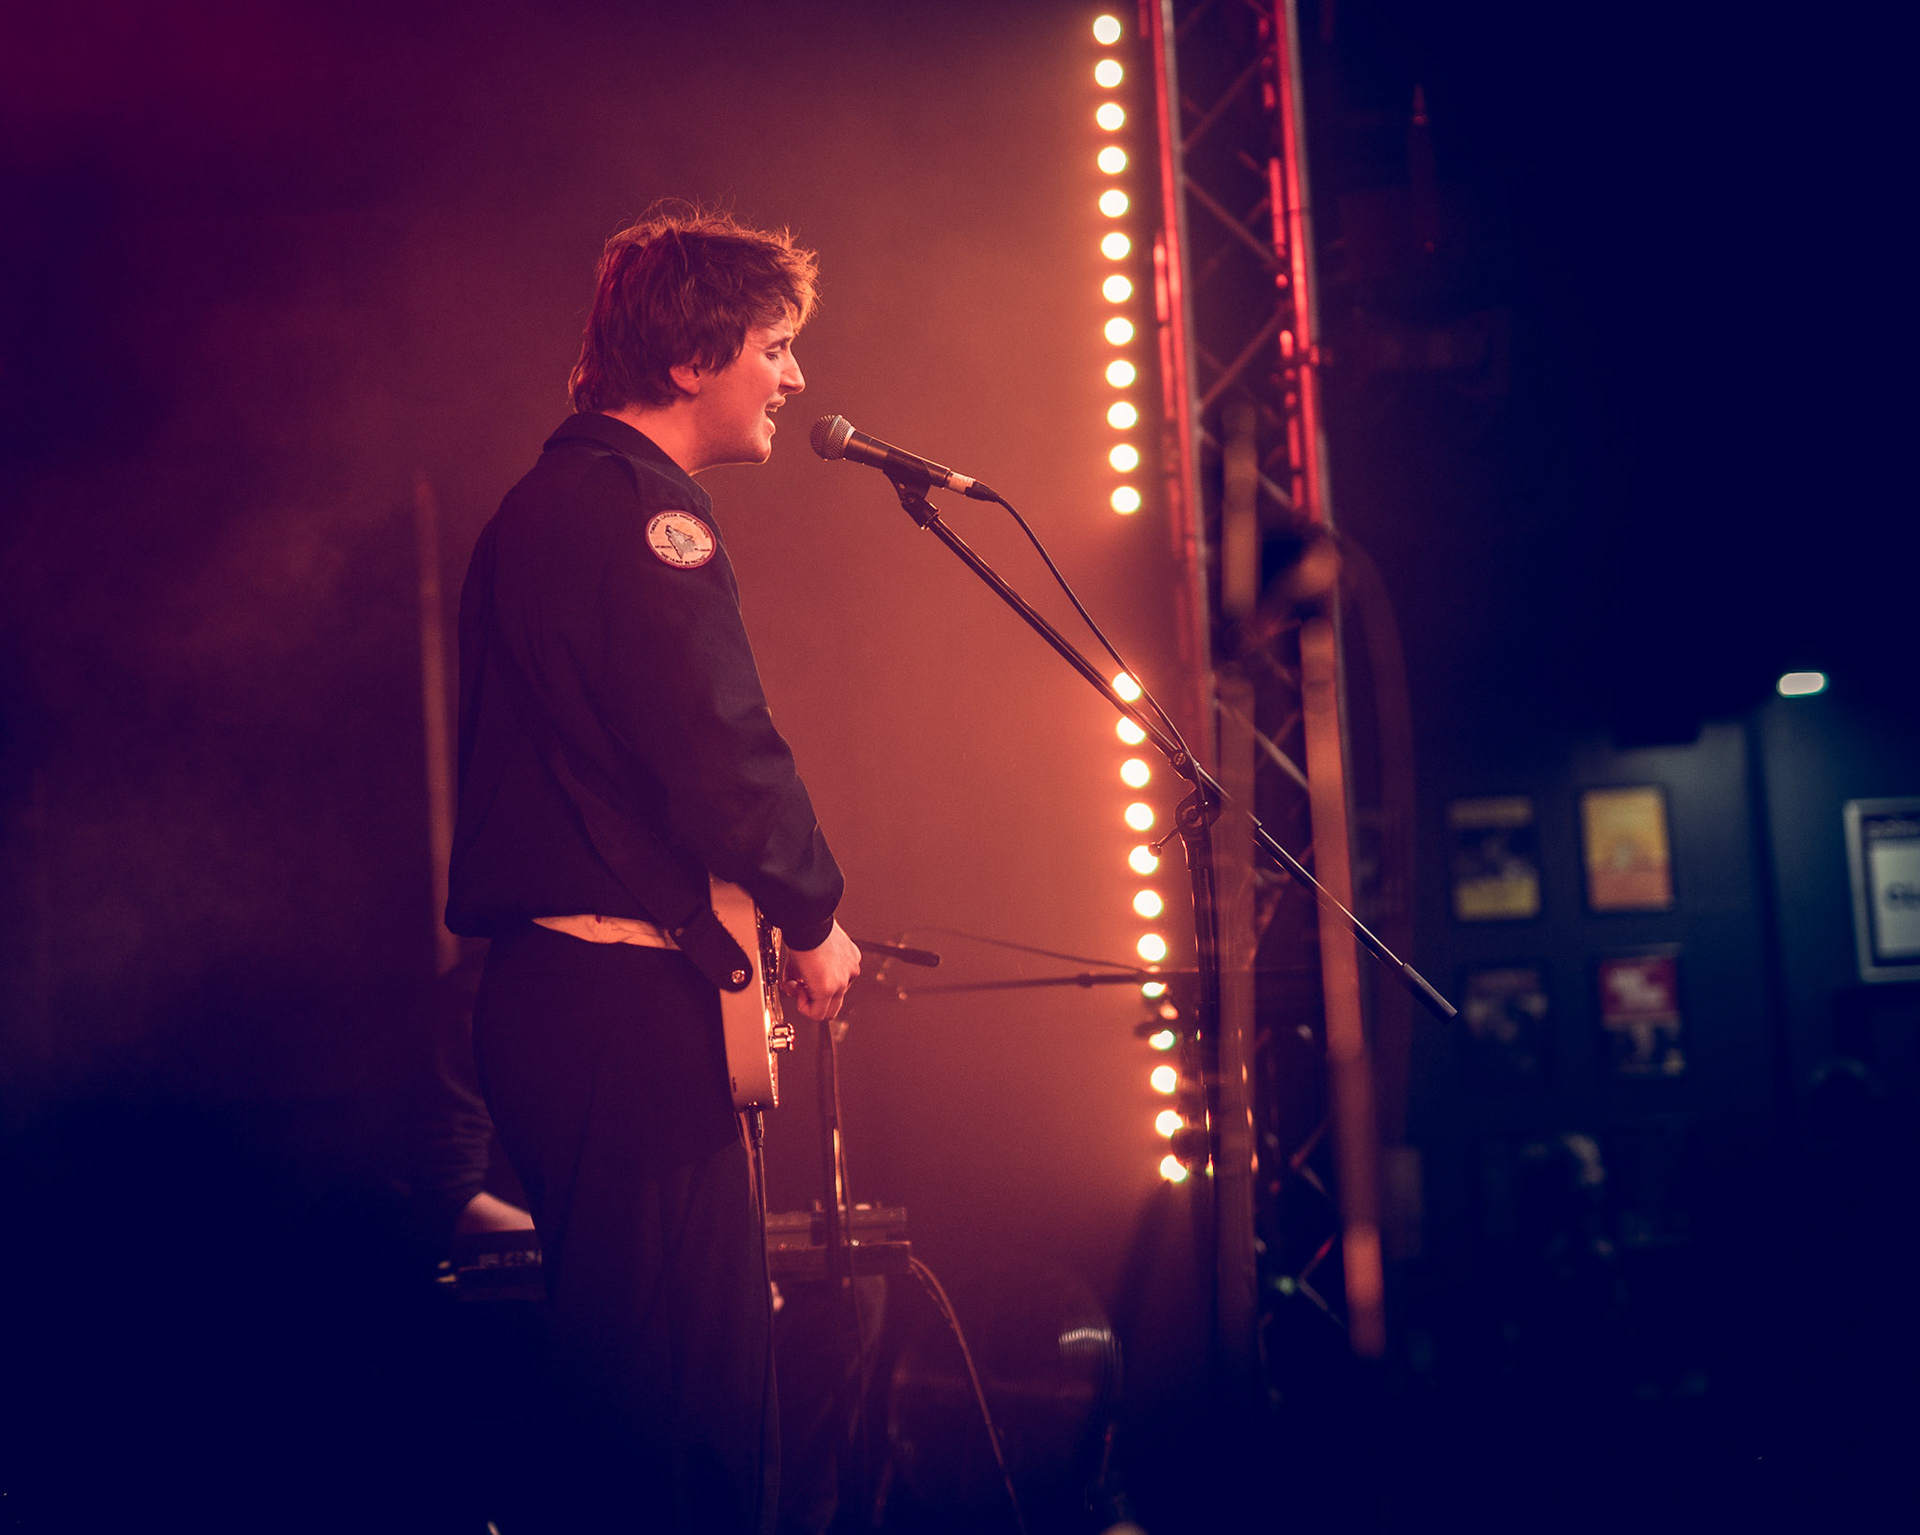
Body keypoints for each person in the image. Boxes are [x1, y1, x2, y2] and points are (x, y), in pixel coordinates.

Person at [446, 205, 861, 1533]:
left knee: (641, 1379)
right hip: (620, 1011)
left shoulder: (544, 506)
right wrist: (814, 915)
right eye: (774, 347)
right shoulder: (643, 514)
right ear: (692, 359)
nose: (793, 377)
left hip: (566, 1005)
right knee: (684, 1400)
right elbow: (718, 745)